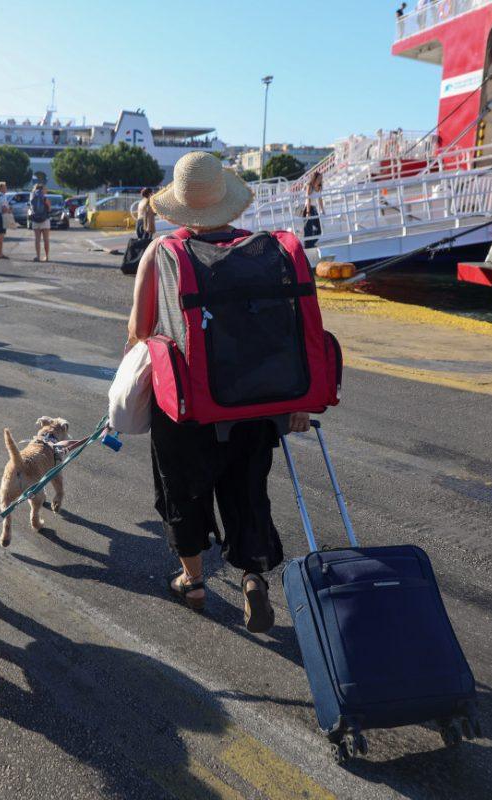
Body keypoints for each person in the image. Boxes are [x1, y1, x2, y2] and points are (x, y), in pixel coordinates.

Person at [126, 151, 310, 633]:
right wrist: (295, 404)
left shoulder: (162, 252)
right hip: (255, 401)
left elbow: (139, 331)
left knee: (182, 490)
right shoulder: (263, 253)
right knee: (247, 490)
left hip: (187, 405)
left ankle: (194, 581)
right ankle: (252, 576)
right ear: (228, 204)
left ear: (180, 207)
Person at [28, 183, 51, 262]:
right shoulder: (45, 198)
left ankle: (38, 256)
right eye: (45, 189)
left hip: (35, 220)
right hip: (45, 220)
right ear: (42, 190)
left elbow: (30, 207)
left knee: (37, 239)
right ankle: (46, 257)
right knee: (46, 239)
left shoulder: (32, 197)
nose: (46, 190)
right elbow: (49, 209)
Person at [302, 170, 324, 248]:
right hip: (308, 208)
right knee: (308, 231)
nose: (321, 180)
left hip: (314, 209)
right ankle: (308, 246)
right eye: (319, 178)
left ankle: (310, 244)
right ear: (315, 178)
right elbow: (308, 199)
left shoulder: (320, 186)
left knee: (318, 231)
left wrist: (322, 209)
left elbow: (320, 198)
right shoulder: (309, 186)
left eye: (321, 178)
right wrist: (308, 212)